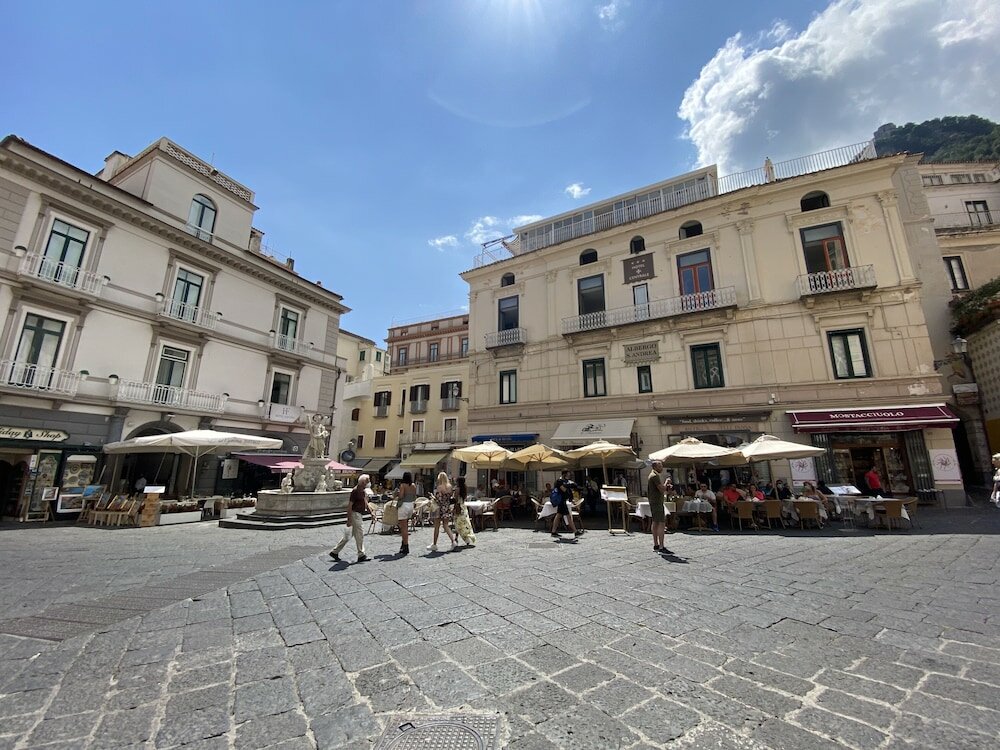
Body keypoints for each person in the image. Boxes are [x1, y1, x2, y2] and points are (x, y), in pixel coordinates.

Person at [330, 474, 373, 563]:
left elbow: (365, 501)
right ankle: (361, 554)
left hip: (358, 514)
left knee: (348, 536)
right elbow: (350, 506)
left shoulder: (362, 490)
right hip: (355, 514)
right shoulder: (355, 491)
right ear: (362, 482)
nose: (368, 483)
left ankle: (335, 551)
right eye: (367, 482)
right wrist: (349, 519)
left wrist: (371, 512)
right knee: (360, 534)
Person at [427, 472, 457, 552]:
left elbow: (438, 500)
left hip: (439, 508)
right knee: (446, 525)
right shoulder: (450, 487)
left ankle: (434, 544)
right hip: (447, 507)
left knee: (437, 526)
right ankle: (453, 541)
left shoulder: (439, 487)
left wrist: (432, 497)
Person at [647, 461, 672, 554]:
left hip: (654, 501)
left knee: (655, 522)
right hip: (657, 502)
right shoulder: (655, 476)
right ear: (655, 467)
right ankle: (661, 546)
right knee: (661, 523)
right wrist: (666, 482)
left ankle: (656, 544)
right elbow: (662, 489)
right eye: (660, 466)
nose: (662, 468)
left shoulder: (652, 475)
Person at [395, 471, 417, 555]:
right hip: (410, 505)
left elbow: (401, 496)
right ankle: (403, 544)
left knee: (403, 527)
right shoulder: (413, 485)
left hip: (404, 505)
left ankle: (406, 546)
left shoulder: (403, 485)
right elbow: (414, 496)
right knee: (406, 525)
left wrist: (397, 494)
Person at [453, 476, 477, 546]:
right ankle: (463, 538)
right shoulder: (464, 488)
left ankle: (461, 539)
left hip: (458, 507)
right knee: (464, 523)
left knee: (458, 523)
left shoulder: (457, 489)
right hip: (463, 507)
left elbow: (455, 499)